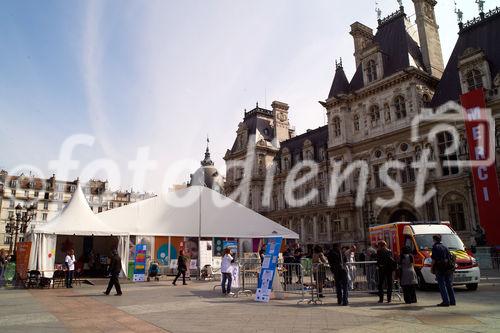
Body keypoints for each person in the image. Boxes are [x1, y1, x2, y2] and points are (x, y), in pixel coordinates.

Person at [431, 234, 456, 307]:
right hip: (447, 268)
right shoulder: (446, 247)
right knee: (449, 285)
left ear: (434, 240)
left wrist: (432, 268)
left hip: (439, 268)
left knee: (442, 285)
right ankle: (452, 301)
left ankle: (445, 301)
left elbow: (434, 259)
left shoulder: (435, 247)